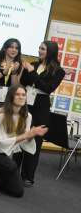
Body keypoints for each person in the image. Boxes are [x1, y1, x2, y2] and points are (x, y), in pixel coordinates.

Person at [0, 85, 46, 196]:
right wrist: (26, 135)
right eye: (18, 94)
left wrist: (32, 135)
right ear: (11, 97)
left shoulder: (26, 116)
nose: (21, 97)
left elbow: (25, 143)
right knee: (11, 165)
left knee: (18, 192)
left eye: (23, 95)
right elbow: (1, 142)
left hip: (8, 155)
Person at [18, 40, 64, 186]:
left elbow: (47, 88)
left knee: (35, 141)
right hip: (25, 104)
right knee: (20, 135)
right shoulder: (34, 64)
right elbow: (25, 83)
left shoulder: (58, 70)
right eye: (39, 48)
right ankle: (13, 171)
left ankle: (27, 176)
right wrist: (25, 70)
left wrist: (31, 72)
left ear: (50, 51)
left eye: (42, 49)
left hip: (41, 106)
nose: (39, 51)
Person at [0, 38, 23, 118]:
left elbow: (15, 86)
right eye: (11, 47)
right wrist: (3, 73)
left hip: (7, 99)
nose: (14, 50)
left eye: (17, 48)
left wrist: (13, 73)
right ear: (5, 48)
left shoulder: (19, 65)